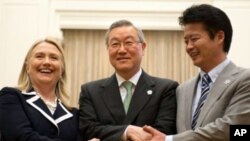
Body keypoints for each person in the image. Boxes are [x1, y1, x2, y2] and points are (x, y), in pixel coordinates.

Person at [143, 4, 250, 141]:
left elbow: (234, 130)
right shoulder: (183, 89)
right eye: (186, 41)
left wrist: (170, 140)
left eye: (194, 39)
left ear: (219, 37)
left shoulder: (244, 79)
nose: (189, 47)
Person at [78, 19, 178, 141]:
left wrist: (109, 133)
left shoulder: (165, 89)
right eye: (115, 44)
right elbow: (88, 130)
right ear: (108, 49)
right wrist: (127, 131)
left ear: (143, 47)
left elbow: (163, 133)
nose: (122, 50)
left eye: (129, 42)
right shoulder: (90, 91)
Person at [0, 37, 81, 141]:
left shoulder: (74, 115)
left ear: (62, 70)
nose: (47, 62)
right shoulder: (10, 97)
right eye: (39, 56)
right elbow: (22, 138)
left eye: (54, 58)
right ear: (27, 67)